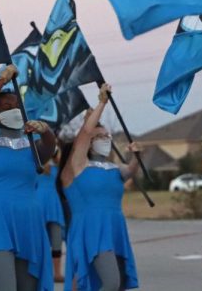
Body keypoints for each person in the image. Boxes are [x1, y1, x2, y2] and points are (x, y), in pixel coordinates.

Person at [0, 64, 56, 291]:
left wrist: (45, 130)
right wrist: (1, 81)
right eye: (6, 107)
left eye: (16, 105)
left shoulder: (32, 149)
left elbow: (50, 147)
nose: (13, 109)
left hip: (30, 222)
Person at [60, 84, 140, 291]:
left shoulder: (112, 168)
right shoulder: (77, 166)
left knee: (113, 283)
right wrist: (101, 104)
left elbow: (130, 171)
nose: (105, 139)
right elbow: (86, 132)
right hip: (91, 228)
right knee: (110, 283)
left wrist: (136, 156)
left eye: (107, 136)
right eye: (100, 136)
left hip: (114, 226)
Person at [35, 148, 66, 283]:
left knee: (56, 239)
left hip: (53, 205)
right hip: (39, 205)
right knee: (39, 240)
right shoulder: (36, 168)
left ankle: (57, 273)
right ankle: (41, 272)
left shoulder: (59, 169)